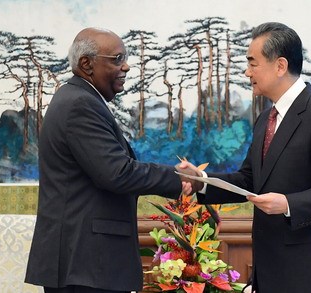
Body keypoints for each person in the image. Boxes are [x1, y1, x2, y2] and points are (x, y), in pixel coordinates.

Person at [180, 22, 311, 292]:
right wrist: (202, 181)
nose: (246, 71)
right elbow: (250, 179)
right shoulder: (266, 117)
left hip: (307, 270)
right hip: (268, 266)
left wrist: (287, 203)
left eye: (253, 63)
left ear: (280, 66)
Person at [25, 27, 198, 293]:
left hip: (85, 264)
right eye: (117, 59)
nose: (126, 66)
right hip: (85, 264)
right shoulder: (80, 104)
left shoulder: (78, 98)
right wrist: (178, 177)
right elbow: (116, 173)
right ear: (87, 64)